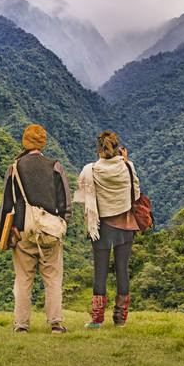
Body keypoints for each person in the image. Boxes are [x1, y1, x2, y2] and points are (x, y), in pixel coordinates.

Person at [0, 124, 72, 334]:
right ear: (43, 142)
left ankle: (21, 325)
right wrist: (61, 224)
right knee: (53, 279)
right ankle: (56, 323)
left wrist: (2, 235)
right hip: (50, 233)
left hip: (22, 231)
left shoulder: (15, 168)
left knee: (23, 279)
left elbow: (6, 204)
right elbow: (65, 202)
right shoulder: (54, 166)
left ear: (25, 141)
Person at [74, 130, 140, 328]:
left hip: (101, 227)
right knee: (122, 270)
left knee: (100, 272)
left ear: (98, 149)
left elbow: (83, 194)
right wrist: (125, 162)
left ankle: (97, 319)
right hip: (126, 225)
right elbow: (135, 194)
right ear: (117, 147)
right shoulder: (127, 166)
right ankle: (120, 319)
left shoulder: (91, 170)